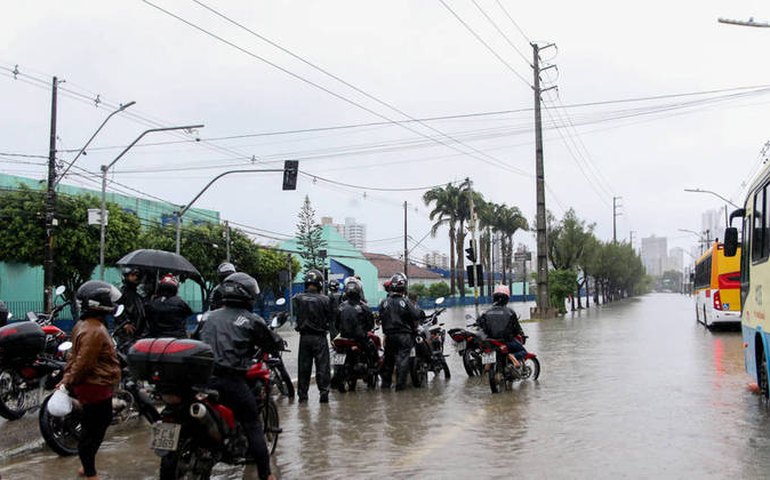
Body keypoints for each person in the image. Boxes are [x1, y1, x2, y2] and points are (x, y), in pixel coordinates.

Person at [199, 272, 281, 480]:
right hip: (230, 380)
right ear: (248, 294)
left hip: (201, 380)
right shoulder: (251, 320)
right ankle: (266, 475)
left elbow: (195, 340)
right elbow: (271, 343)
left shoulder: (208, 316)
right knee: (253, 423)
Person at [59, 280, 122, 480]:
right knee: (93, 429)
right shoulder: (94, 330)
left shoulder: (85, 324)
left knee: (94, 427)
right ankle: (90, 472)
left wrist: (66, 379)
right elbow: (84, 362)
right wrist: (66, 382)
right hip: (95, 386)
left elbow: (74, 358)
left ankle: (87, 467)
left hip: (94, 386)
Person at [292, 269, 333, 403]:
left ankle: (303, 396)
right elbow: (330, 319)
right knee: (323, 367)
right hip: (320, 337)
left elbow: (296, 316)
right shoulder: (325, 300)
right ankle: (324, 393)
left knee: (304, 368)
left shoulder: (298, 298)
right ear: (320, 283)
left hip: (304, 338)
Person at [378, 273, 422, 390]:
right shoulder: (405, 302)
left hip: (389, 336)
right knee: (402, 360)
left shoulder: (384, 302)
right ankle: (400, 387)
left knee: (388, 360)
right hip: (404, 336)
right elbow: (416, 315)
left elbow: (379, 317)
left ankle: (385, 385)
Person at [477, 284, 527, 369]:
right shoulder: (510, 312)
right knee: (523, 351)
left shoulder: (486, 312)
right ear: (506, 299)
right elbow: (516, 328)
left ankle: (489, 363)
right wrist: (521, 335)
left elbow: (480, 325)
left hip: (490, 341)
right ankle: (511, 356)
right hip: (506, 341)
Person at [336, 280, 377, 367]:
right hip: (360, 339)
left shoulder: (340, 307)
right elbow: (370, 325)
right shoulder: (364, 307)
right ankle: (372, 368)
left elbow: (336, 324)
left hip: (344, 338)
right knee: (372, 349)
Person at [141, 274, 192, 338]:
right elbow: (189, 312)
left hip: (157, 338)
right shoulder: (180, 302)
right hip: (178, 338)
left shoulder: (152, 303)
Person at [115, 267, 145, 350]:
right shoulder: (122, 293)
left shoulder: (136, 295)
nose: (135, 278)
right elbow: (116, 308)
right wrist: (124, 323)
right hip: (126, 334)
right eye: (132, 275)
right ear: (126, 276)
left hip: (136, 332)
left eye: (137, 275)